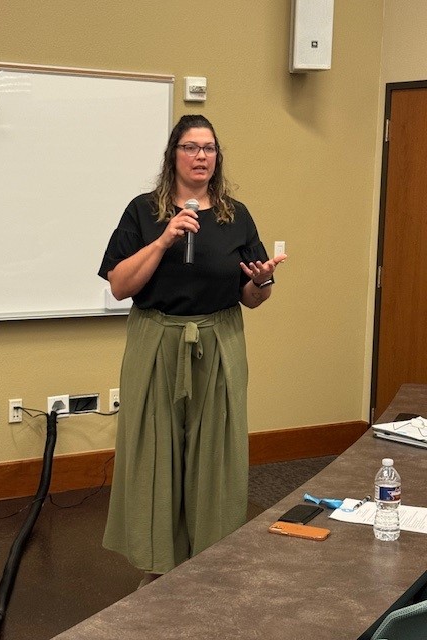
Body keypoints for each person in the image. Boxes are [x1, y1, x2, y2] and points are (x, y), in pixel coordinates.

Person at [98, 114, 286, 587]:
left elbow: (251, 297)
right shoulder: (144, 211)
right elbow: (120, 286)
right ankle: (158, 569)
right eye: (190, 147)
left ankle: (210, 566)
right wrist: (164, 239)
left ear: (218, 157)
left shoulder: (235, 215)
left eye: (209, 148)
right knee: (156, 455)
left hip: (219, 340)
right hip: (157, 341)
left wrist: (263, 281)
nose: (201, 156)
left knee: (215, 454)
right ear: (173, 155)